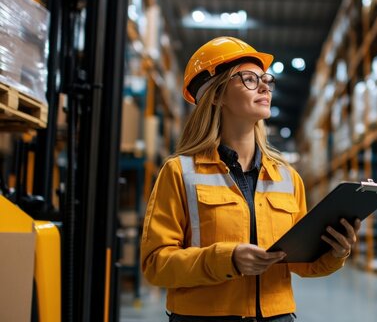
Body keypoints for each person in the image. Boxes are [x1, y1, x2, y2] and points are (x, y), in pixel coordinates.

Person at [140, 36, 361, 322]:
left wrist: (335, 252)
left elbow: (305, 263)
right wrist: (227, 259)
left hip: (278, 317)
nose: (264, 86)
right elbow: (155, 264)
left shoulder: (287, 177)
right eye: (248, 79)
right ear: (216, 95)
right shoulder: (180, 172)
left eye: (265, 79)